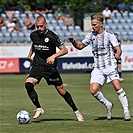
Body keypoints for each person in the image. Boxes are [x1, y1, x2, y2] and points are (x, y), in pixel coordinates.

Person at [68, 13, 130, 121]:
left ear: (101, 24)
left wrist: (118, 54)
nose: (93, 27)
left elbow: (118, 48)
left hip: (110, 66)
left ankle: (126, 110)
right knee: (93, 90)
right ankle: (108, 105)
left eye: (95, 24)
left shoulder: (109, 35)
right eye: (92, 24)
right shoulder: (90, 36)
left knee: (117, 86)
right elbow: (80, 46)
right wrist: (73, 42)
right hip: (98, 67)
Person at [25, 15, 84, 121]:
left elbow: (65, 50)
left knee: (62, 91)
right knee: (28, 84)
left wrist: (53, 56)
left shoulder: (52, 36)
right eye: (37, 26)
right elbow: (34, 44)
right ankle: (39, 108)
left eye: (41, 26)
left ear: (46, 25)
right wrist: (30, 55)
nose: (39, 29)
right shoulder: (33, 35)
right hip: (37, 67)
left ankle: (76, 111)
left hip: (50, 69)